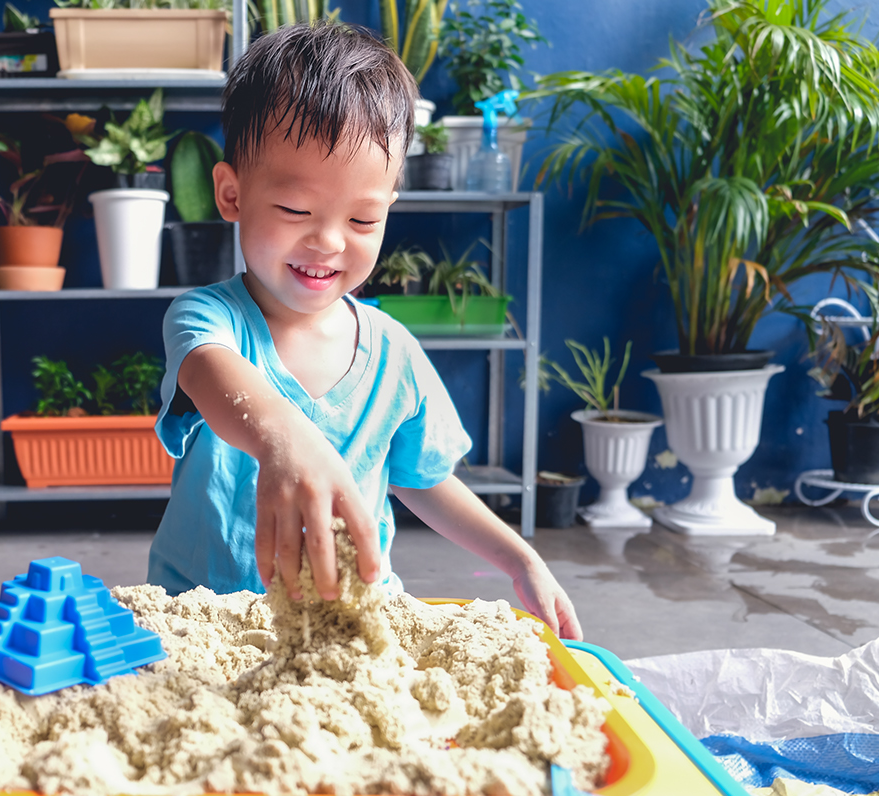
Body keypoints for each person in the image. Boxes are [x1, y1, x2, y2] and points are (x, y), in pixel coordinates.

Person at [146, 22, 582, 641]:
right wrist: (283, 439)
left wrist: (520, 558)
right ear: (231, 193)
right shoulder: (207, 321)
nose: (327, 241)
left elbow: (423, 479)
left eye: (362, 217)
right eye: (296, 210)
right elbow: (219, 380)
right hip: (206, 625)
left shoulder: (394, 352)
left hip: (349, 625)